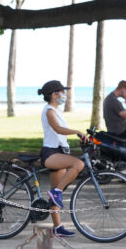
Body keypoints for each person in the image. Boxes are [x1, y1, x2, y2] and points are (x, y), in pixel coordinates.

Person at [38, 79, 89, 238]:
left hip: (59, 151)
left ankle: (57, 227)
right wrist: (77, 131)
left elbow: (60, 135)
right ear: (54, 94)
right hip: (50, 153)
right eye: (61, 92)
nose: (64, 95)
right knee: (78, 164)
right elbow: (58, 129)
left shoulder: (57, 110)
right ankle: (57, 192)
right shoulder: (49, 111)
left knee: (56, 192)